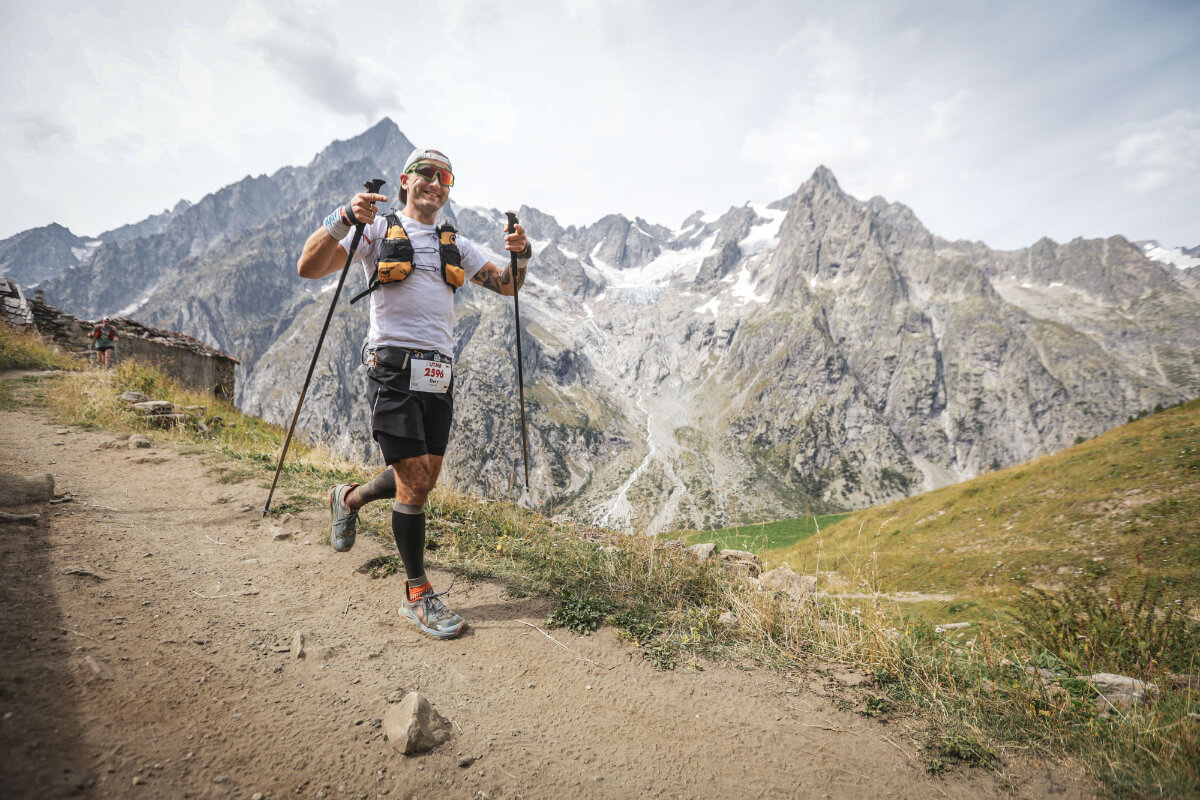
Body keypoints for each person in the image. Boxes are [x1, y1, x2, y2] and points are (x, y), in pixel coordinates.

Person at [296, 148, 530, 639]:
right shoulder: (376, 231)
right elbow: (310, 267)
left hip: (438, 373)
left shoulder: (456, 244)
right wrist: (342, 219)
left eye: (444, 176)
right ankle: (417, 595)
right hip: (392, 369)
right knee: (416, 482)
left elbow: (508, 287)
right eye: (425, 173)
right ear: (405, 181)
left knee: (423, 479)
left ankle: (349, 497)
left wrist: (521, 254)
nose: (435, 182)